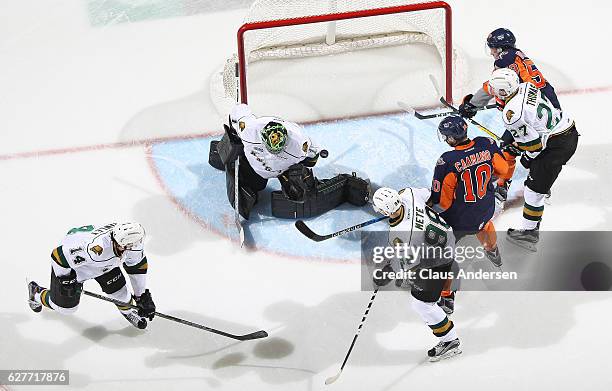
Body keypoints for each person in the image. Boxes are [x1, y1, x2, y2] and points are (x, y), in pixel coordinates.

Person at [208, 103, 370, 219]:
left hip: (285, 171)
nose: (275, 153)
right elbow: (238, 111)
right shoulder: (248, 129)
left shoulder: (299, 141)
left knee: (299, 192)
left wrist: (300, 172)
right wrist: (234, 137)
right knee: (255, 186)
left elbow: (312, 158)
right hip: (255, 167)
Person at [458, 27, 561, 202]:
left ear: (500, 48)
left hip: (531, 114)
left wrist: (472, 104)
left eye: (492, 47)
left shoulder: (504, 62)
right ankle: (542, 183)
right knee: (538, 147)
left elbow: (494, 85)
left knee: (510, 148)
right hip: (549, 106)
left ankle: (504, 185)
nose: (490, 52)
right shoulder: (517, 54)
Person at [488, 68, 578, 251]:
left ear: (504, 91)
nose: (493, 93)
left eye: (496, 90)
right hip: (565, 130)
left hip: (556, 145)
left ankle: (529, 235)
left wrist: (526, 157)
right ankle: (543, 181)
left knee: (532, 192)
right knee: (536, 175)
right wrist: (519, 146)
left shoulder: (512, 115)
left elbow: (535, 148)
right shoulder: (526, 86)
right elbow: (533, 124)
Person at [426, 115, 509, 314]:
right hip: (486, 206)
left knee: (443, 254)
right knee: (485, 224)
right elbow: (504, 169)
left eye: (446, 136)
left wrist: (428, 207)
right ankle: (493, 252)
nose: (446, 140)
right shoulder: (486, 144)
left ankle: (447, 297)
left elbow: (442, 203)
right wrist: (487, 180)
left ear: (452, 139)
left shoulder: (447, 160)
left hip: (460, 219)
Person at [371, 187, 461, 362]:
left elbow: (408, 264)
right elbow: (429, 195)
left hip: (438, 260)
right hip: (448, 238)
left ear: (383, 211)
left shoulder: (401, 235)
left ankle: (450, 340)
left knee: (422, 305)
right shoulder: (408, 194)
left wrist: (387, 273)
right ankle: (445, 296)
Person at [27, 223, 156, 329]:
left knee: (121, 294)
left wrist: (141, 296)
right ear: (122, 245)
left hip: (105, 265)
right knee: (65, 308)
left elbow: (136, 266)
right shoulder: (95, 249)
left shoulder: (131, 241)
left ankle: (127, 311)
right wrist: (65, 280)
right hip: (77, 265)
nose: (138, 244)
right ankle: (36, 293)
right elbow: (58, 256)